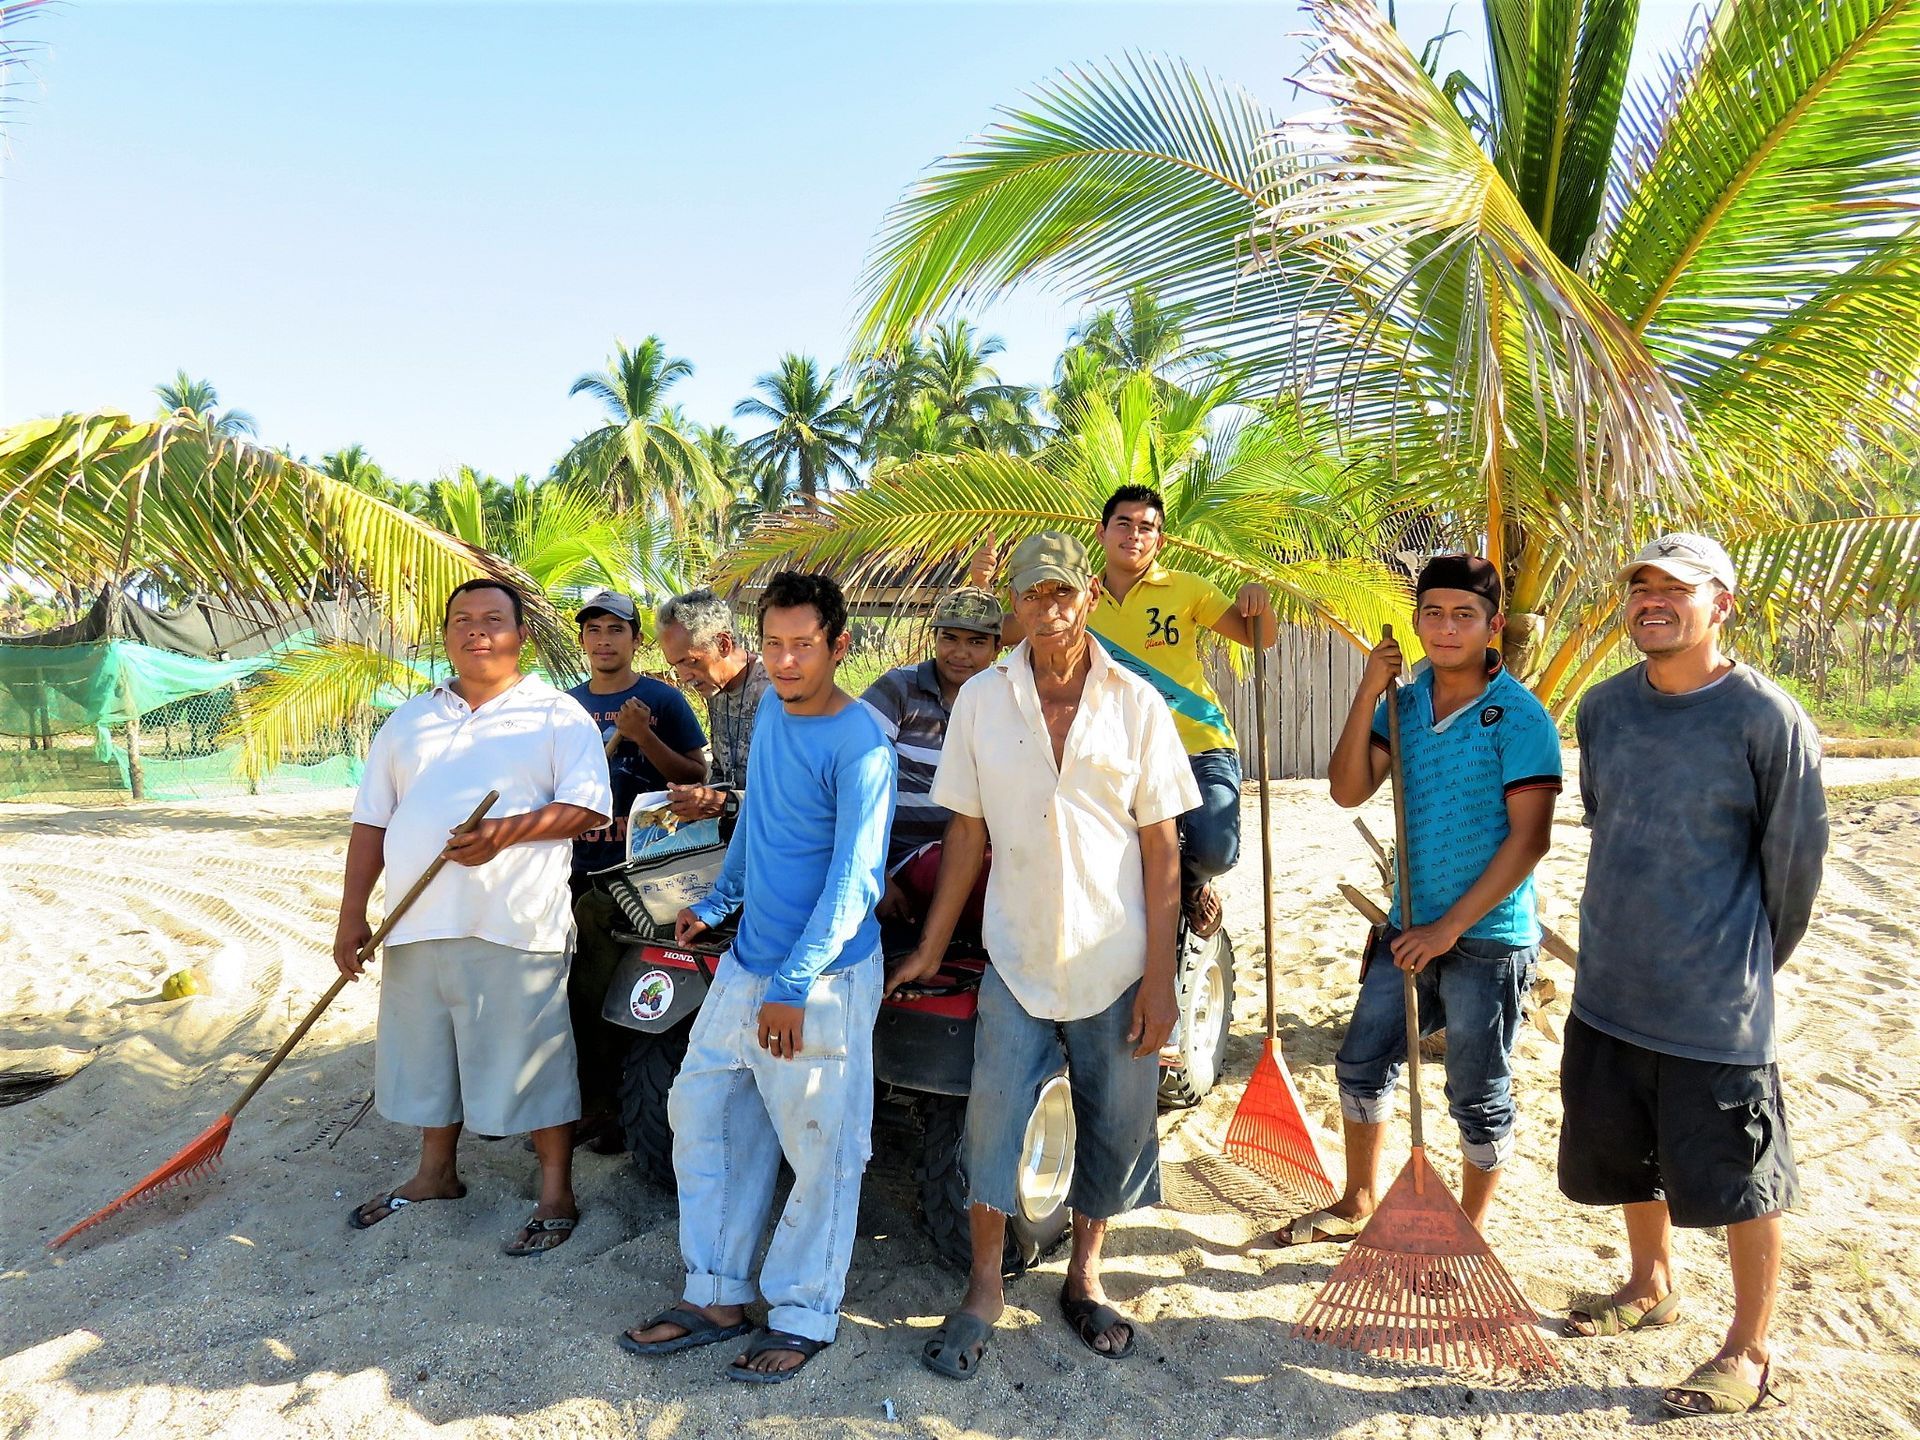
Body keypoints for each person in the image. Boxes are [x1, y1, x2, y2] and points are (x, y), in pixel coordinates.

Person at [895, 532, 1199, 1380]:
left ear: (1088, 598)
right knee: (990, 1117)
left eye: (1064, 594)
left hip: (1116, 954)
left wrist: (1163, 980)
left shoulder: (1137, 704)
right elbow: (965, 829)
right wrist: (927, 949)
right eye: (1033, 596)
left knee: (1115, 1116)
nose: (1051, 610)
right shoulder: (983, 701)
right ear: (1015, 608)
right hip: (1017, 956)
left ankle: (1086, 1274)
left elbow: (1163, 849)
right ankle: (985, 1285)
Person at [1561, 533, 1826, 1418]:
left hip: (1716, 1006)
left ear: (1724, 605)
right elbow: (1608, 818)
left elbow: (1793, 870)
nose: (1652, 600)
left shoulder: (1767, 719)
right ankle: (1650, 1283)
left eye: (1677, 588)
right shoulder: (1604, 710)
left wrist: (1741, 960)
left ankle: (1750, 1349)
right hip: (1610, 989)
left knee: (1746, 1176)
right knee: (1627, 1156)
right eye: (1640, 586)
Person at [619, 571, 895, 1383]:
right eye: (773, 644)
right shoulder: (772, 711)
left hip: (825, 975)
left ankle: (805, 1312)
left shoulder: (861, 746)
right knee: (703, 1115)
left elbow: (854, 882)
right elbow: (762, 824)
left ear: (838, 647)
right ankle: (716, 1292)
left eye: (802, 645)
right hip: (750, 958)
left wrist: (795, 983)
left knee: (822, 1148)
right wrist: (718, 898)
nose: (783, 660)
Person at [1274, 555, 1560, 1248]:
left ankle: (1468, 1230)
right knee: (1361, 1063)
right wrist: (1368, 691)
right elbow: (1347, 791)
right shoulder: (1402, 707)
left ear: (1493, 626)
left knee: (1476, 1095)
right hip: (1406, 927)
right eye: (1433, 612)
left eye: (1465, 614)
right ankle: (1357, 1201)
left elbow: (1529, 843)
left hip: (1488, 936)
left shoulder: (1519, 718)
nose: (1447, 627)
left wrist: (1447, 930)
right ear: (1416, 621)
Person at [334, 578, 612, 1255]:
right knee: (430, 1056)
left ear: (521, 636)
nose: (477, 630)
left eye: (493, 619)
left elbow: (588, 808)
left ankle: (555, 1192)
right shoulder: (408, 719)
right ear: (446, 634)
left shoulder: (554, 714)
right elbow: (372, 822)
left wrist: (503, 833)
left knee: (532, 1062)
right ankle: (435, 1174)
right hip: (416, 922)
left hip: (514, 924)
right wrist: (351, 917)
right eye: (462, 619)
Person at [975, 487, 1275, 937]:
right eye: (1124, 524)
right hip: (1119, 751)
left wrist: (1259, 600)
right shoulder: (1075, 598)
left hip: (1198, 743)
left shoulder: (1187, 589)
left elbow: (1258, 637)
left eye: (1147, 527)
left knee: (1216, 848)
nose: (1135, 535)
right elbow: (998, 633)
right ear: (1101, 532)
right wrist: (982, 586)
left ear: (1161, 540)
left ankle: (1192, 888)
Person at [565, 590, 707, 1150]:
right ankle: (591, 1107)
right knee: (577, 994)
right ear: (583, 640)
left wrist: (644, 734)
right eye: (594, 629)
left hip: (644, 872)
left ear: (635, 640)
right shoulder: (565, 706)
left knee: (636, 992)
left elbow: (696, 773)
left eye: (616, 630)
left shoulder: (663, 699)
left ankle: (627, 1109)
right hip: (577, 867)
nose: (604, 639)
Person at [860, 586, 1002, 929]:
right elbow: (850, 780)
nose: (960, 653)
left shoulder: (1006, 702)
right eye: (949, 638)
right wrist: (875, 876)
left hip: (980, 852)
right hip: (906, 857)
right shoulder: (900, 689)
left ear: (998, 648)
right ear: (934, 638)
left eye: (976, 642)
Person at [655, 587, 771, 823]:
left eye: (690, 661)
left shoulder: (774, 691)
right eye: (675, 665)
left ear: (723, 644)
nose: (684, 676)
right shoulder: (715, 686)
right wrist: (697, 798)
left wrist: (722, 803)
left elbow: (795, 796)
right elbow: (722, 765)